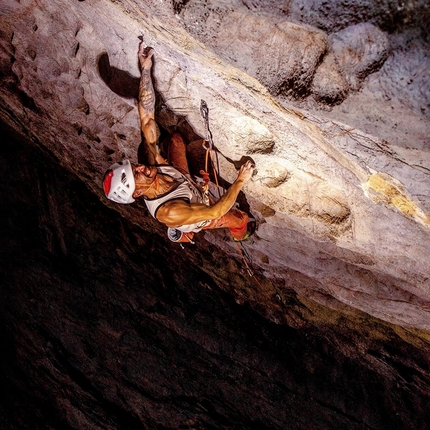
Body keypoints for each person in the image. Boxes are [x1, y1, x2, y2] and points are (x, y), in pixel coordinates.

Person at [103, 42, 255, 242]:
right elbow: (215, 211)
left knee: (175, 140)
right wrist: (241, 180)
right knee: (239, 218)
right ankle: (241, 234)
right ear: (138, 192)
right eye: (137, 174)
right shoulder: (169, 212)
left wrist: (146, 70)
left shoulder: (148, 167)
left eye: (134, 167)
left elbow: (147, 117)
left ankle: (175, 156)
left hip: (182, 179)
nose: (140, 167)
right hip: (201, 212)